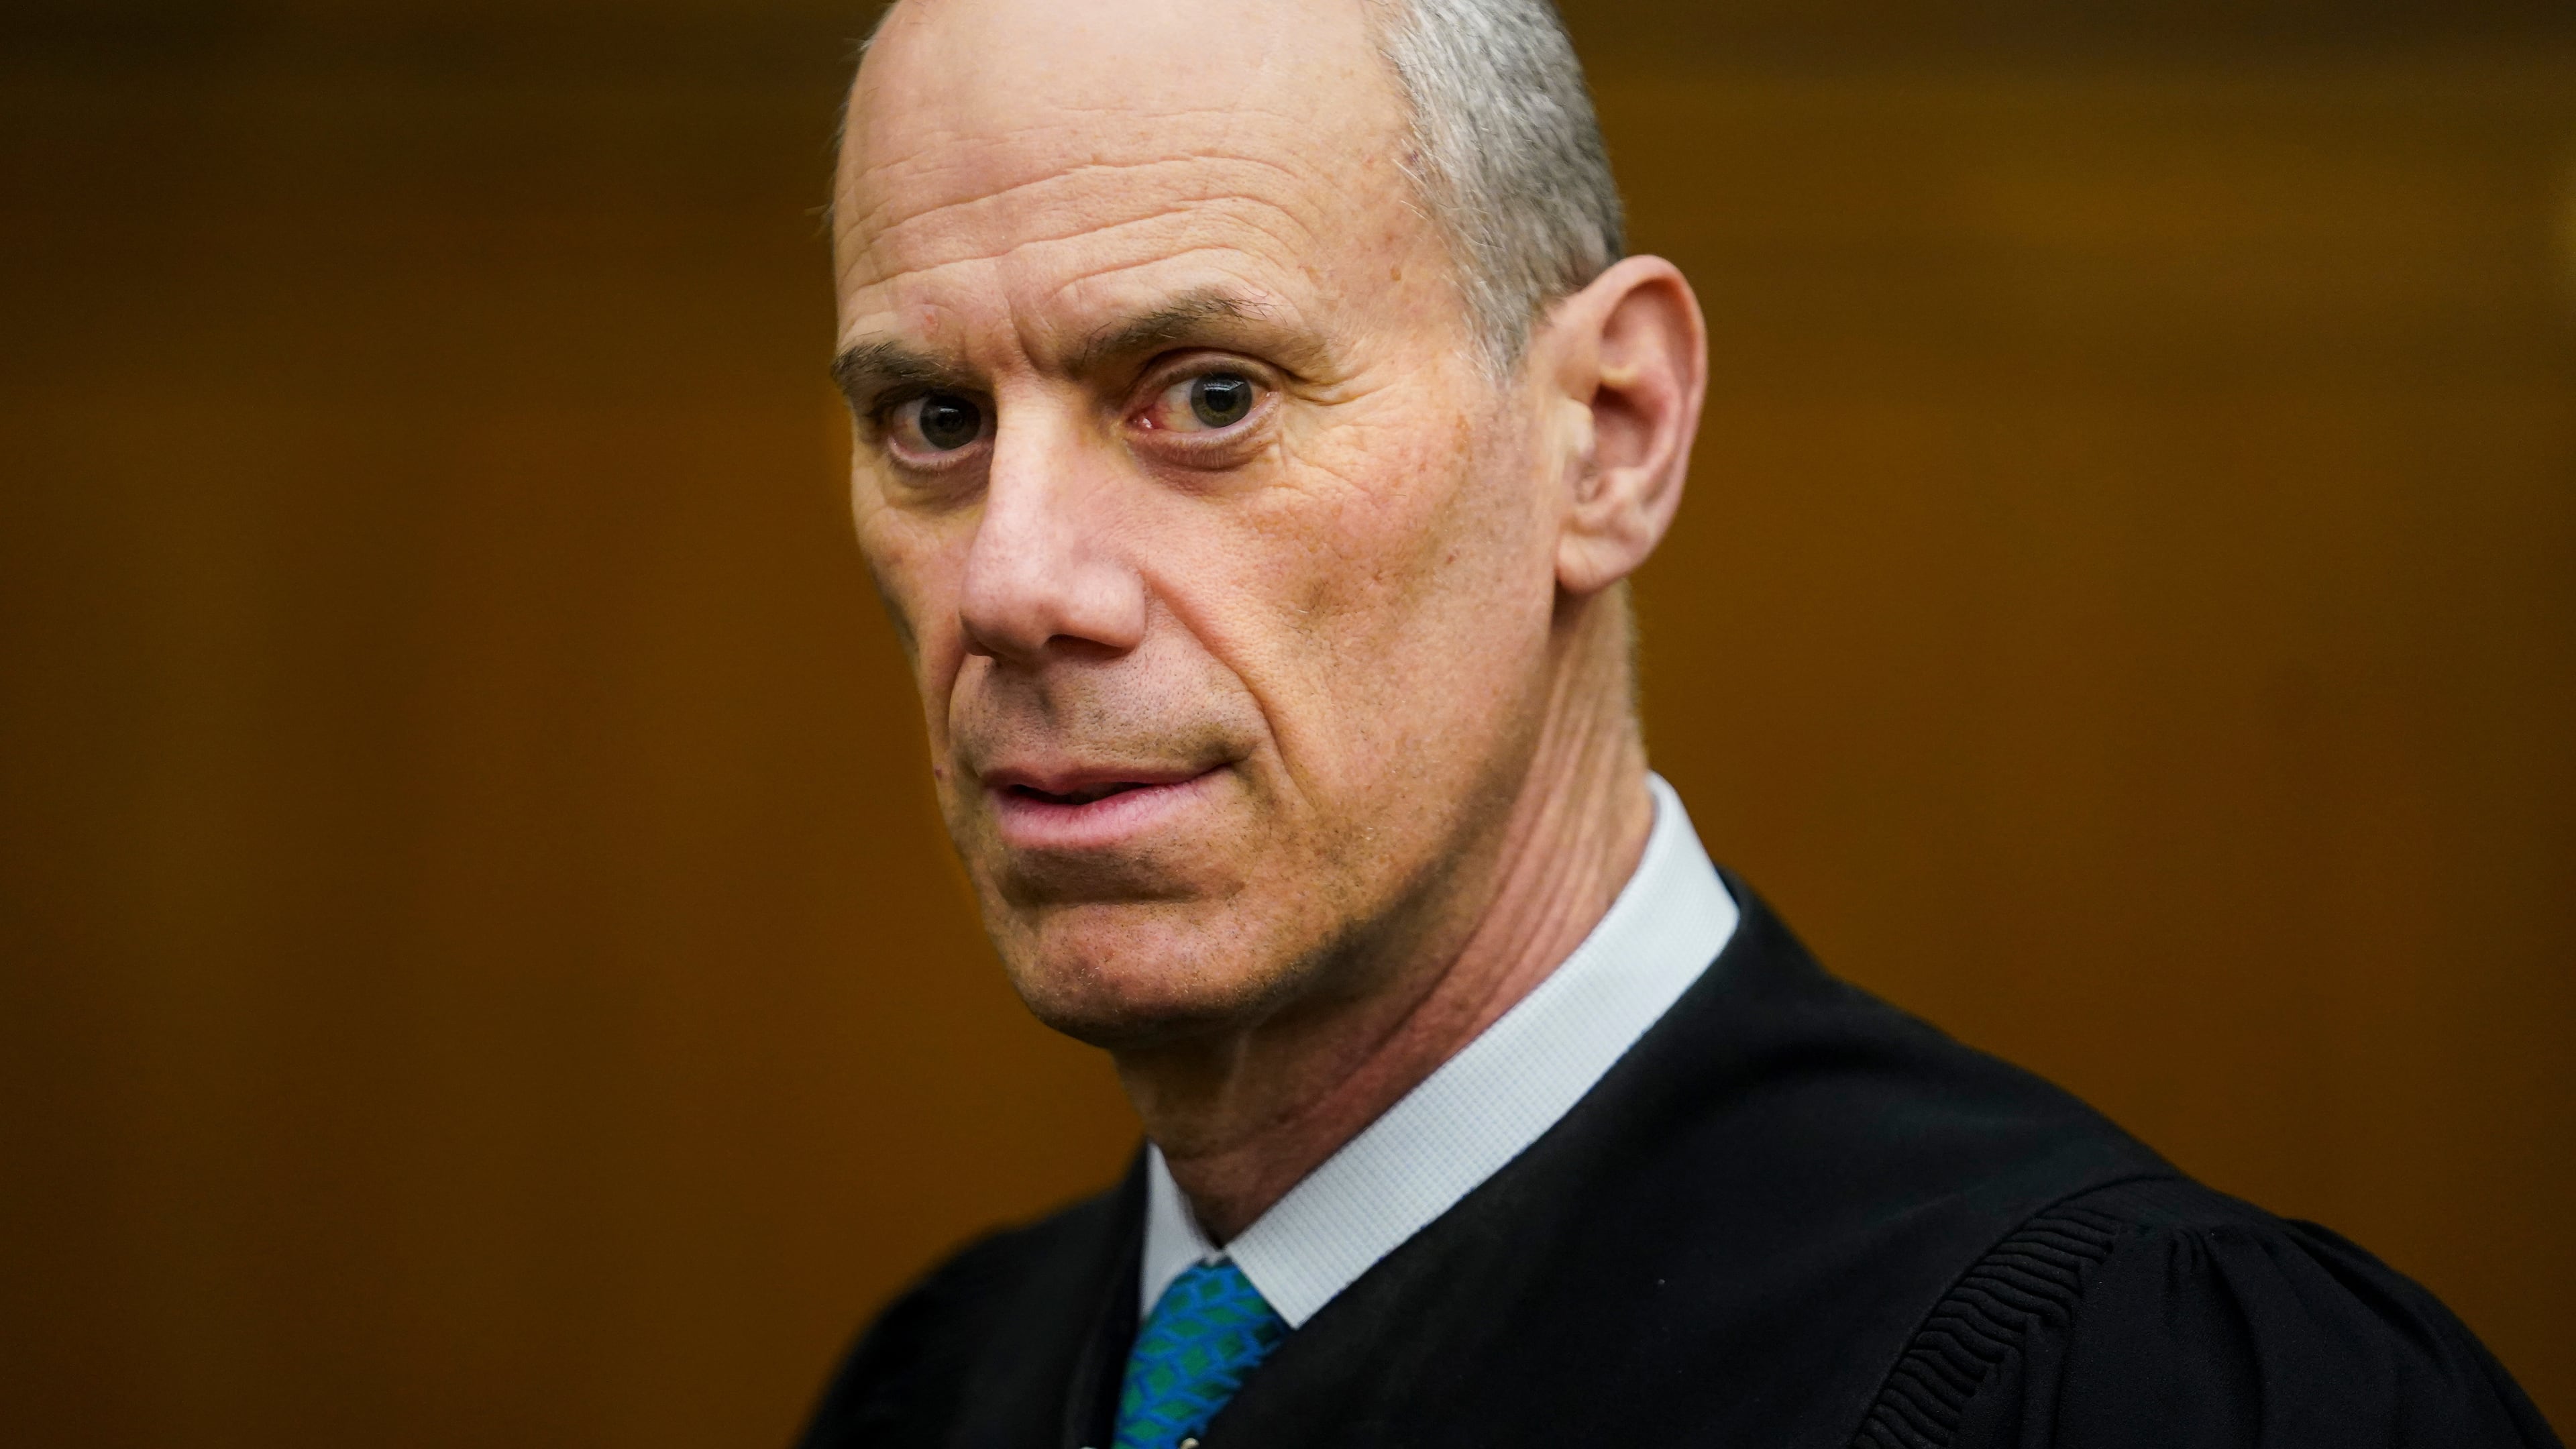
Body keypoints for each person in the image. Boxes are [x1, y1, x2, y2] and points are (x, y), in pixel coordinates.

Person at [800, 0, 2559, 1445]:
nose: (1015, 585)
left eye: (1208, 396)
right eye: (936, 422)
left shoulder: (2128, 1392)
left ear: (1610, 434)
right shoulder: (943, 1389)